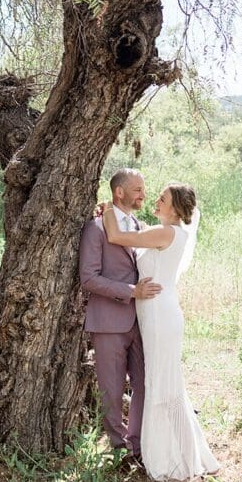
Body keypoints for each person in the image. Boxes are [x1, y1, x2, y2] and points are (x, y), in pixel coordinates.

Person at [102, 182, 220, 482]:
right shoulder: (163, 231)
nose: (156, 200)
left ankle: (176, 456)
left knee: (162, 383)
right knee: (163, 382)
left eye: (162, 198)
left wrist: (107, 208)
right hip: (156, 310)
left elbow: (116, 236)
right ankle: (184, 450)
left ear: (176, 207)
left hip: (159, 314)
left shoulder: (168, 233)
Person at [78, 168, 162, 463]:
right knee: (111, 390)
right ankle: (118, 449)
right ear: (119, 192)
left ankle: (138, 444)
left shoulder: (139, 226)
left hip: (141, 322)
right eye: (138, 189)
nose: (143, 194)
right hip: (108, 321)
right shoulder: (97, 228)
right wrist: (131, 291)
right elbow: (88, 278)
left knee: (144, 384)